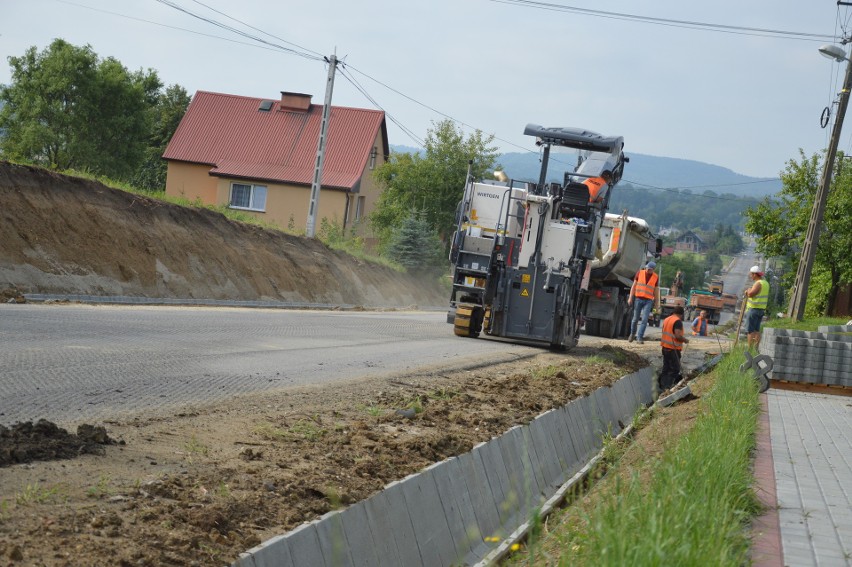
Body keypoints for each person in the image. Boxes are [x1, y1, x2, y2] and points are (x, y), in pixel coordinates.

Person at [627, 261, 660, 344]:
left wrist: (656, 304)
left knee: (644, 320)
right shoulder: (639, 273)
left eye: (650, 269)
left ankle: (639, 337)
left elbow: (656, 291)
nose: (648, 270)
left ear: (653, 270)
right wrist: (630, 297)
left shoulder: (656, 277)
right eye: (647, 268)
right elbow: (634, 286)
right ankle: (632, 334)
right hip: (638, 298)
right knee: (635, 319)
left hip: (648, 300)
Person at [659, 305, 689, 391]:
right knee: (675, 369)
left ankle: (661, 387)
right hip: (673, 349)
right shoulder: (677, 321)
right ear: (681, 314)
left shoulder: (667, 319)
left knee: (666, 367)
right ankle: (667, 388)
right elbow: (678, 335)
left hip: (665, 347)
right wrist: (685, 340)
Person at [744, 265, 770, 351]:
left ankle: (749, 349)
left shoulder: (758, 283)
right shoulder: (766, 283)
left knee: (750, 331)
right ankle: (756, 348)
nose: (750, 276)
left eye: (751, 274)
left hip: (753, 309)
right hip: (761, 309)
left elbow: (751, 294)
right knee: (756, 330)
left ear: (755, 274)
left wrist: (748, 290)